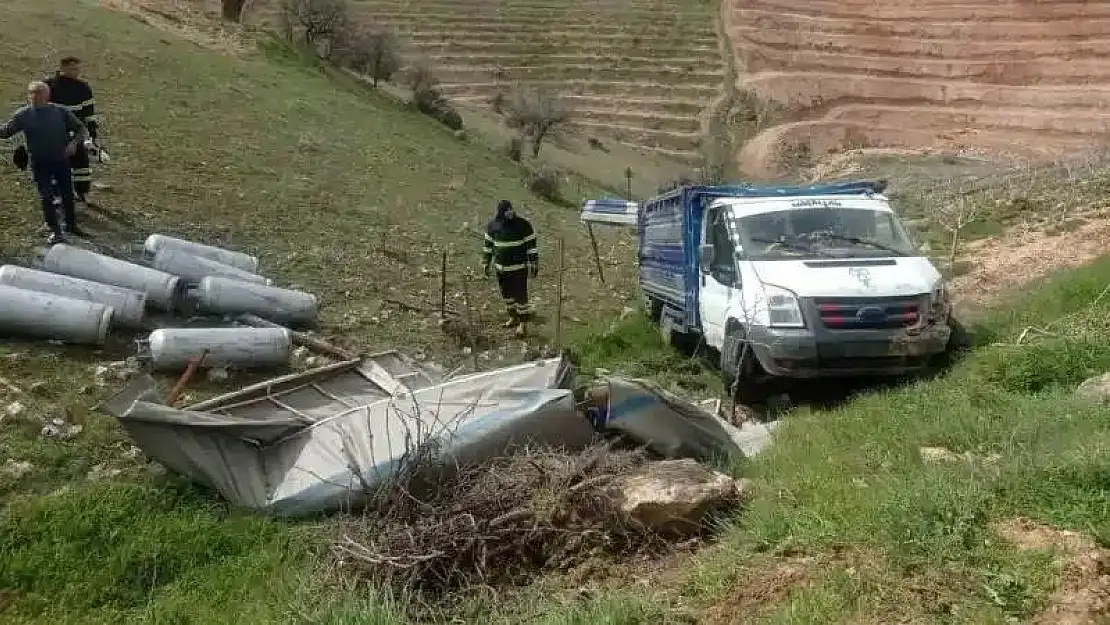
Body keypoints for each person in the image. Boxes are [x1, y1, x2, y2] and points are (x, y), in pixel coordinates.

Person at [0, 80, 88, 244]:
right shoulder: (23, 115)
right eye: (32, 93)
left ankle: (71, 225)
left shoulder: (60, 111)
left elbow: (80, 129)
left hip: (61, 159)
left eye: (39, 92)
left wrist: (73, 144)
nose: (35, 96)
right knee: (46, 196)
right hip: (39, 163)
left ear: (47, 95)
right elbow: (5, 132)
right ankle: (55, 231)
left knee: (67, 194)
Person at [45, 56, 99, 205]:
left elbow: (89, 112)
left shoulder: (83, 88)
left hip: (76, 132)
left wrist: (92, 133)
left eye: (77, 69)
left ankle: (82, 192)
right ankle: (57, 194)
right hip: (54, 131)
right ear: (62, 68)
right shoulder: (49, 86)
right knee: (56, 162)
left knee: (81, 162)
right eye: (71, 69)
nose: (75, 72)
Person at [482, 199, 539, 336]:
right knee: (506, 295)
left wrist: (534, 264)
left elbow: (531, 246)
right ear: (501, 212)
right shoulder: (492, 226)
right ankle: (513, 318)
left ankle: (523, 324)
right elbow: (488, 247)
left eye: (511, 209)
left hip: (518, 269)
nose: (510, 212)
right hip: (501, 269)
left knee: (521, 296)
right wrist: (486, 263)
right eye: (507, 210)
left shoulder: (523, 225)